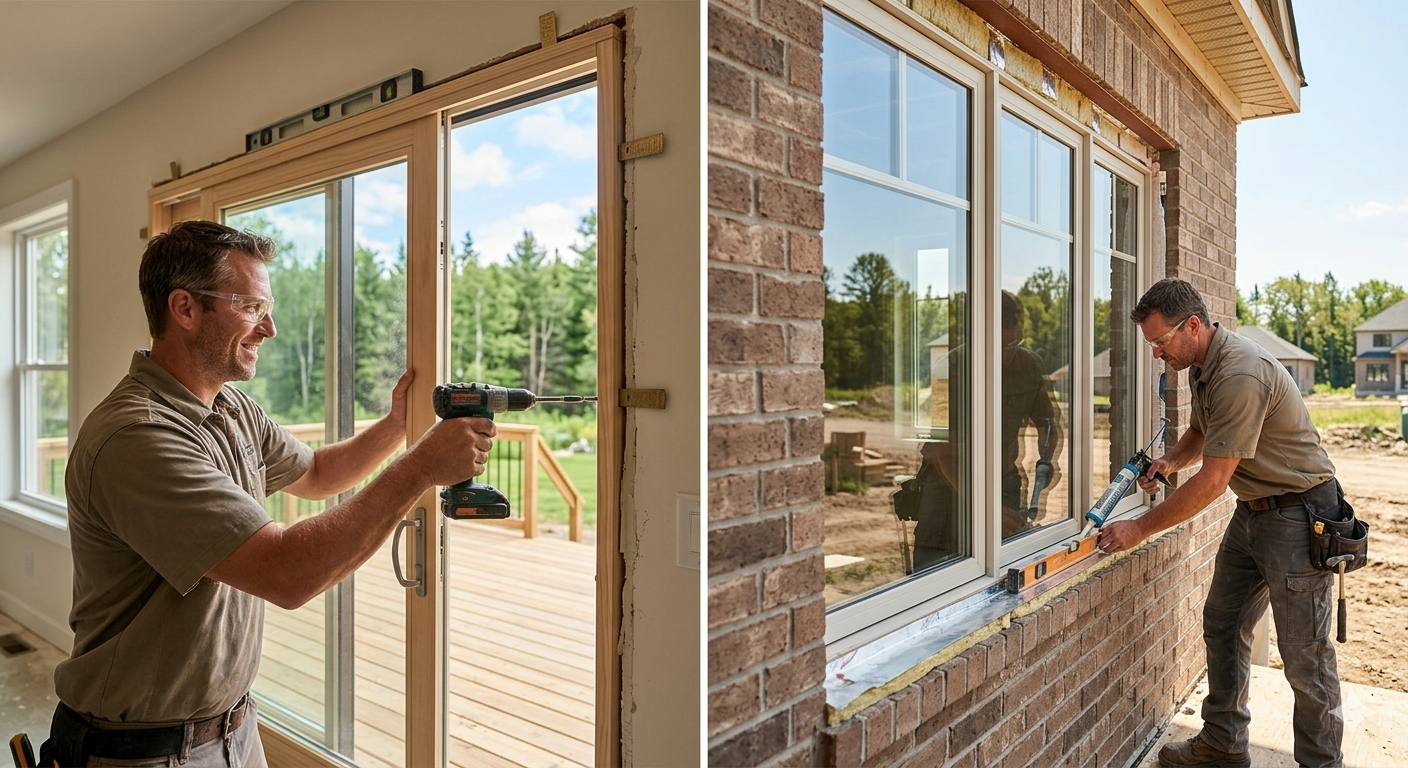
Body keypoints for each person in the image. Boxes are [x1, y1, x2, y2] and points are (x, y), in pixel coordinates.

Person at [41, 220, 495, 767]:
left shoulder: (230, 408)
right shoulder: (137, 437)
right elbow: (286, 571)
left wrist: (399, 426)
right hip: (142, 752)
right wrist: (421, 467)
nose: (270, 327)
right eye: (252, 307)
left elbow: (320, 473)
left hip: (234, 729)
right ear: (184, 309)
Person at [1097, 278, 1343, 768]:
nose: (1156, 354)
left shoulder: (1240, 374)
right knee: (1224, 623)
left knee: (1305, 656)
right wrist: (1169, 463)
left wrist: (1138, 530)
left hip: (1299, 516)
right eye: (1151, 345)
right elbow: (1199, 432)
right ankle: (1223, 746)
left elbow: (1212, 482)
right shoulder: (1202, 364)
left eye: (1160, 342)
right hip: (1254, 511)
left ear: (1192, 325)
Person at [910, 291, 1063, 569]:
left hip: (1002, 480)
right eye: (996, 345)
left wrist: (1045, 463)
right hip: (947, 487)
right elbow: (945, 452)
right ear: (976, 335)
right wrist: (987, 510)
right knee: (935, 569)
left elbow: (1049, 422)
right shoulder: (949, 368)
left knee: (1005, 564)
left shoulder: (1029, 365)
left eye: (1013, 343)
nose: (1005, 354)